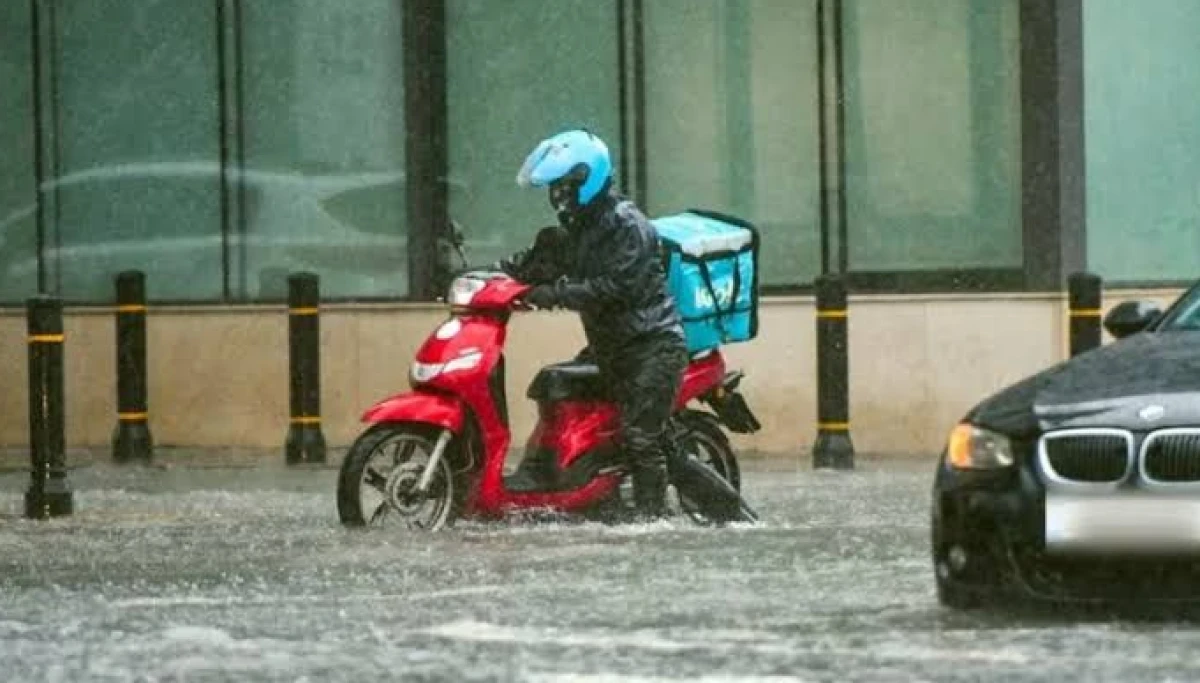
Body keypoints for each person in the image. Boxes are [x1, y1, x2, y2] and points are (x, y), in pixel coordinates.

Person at [494, 129, 688, 520]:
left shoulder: (627, 226)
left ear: (588, 179)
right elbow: (536, 264)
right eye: (554, 189)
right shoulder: (576, 231)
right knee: (554, 386)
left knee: (641, 437)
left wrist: (556, 293)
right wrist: (496, 278)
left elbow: (614, 287)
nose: (558, 197)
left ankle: (653, 519)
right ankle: (573, 484)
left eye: (564, 187)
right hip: (613, 347)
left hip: (651, 346)